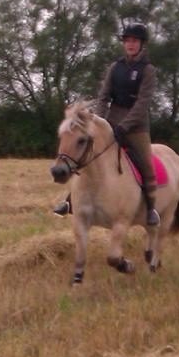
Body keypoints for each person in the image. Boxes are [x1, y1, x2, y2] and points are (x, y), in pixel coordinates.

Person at [54, 22, 160, 226]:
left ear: (142, 44)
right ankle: (70, 201)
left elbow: (143, 103)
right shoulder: (115, 67)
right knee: (86, 157)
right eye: (127, 41)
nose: (130, 44)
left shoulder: (148, 70)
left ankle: (150, 209)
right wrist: (98, 121)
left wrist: (125, 126)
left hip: (137, 126)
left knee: (146, 165)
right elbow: (103, 97)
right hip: (111, 121)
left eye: (134, 41)